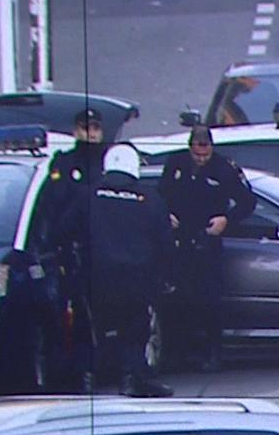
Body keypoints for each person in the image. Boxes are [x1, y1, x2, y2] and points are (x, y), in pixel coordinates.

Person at [53, 143, 172, 397]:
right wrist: (163, 278)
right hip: (137, 279)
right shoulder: (150, 199)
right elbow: (165, 243)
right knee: (135, 330)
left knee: (88, 329)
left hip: (96, 278)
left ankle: (84, 380)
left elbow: (63, 231)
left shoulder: (87, 195)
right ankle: (133, 379)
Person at [158, 125, 256, 372]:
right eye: (197, 154)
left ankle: (212, 352)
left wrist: (227, 220)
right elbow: (159, 196)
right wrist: (165, 215)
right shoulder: (176, 163)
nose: (201, 159)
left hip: (208, 241)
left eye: (205, 154)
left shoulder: (224, 168)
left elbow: (247, 202)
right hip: (179, 241)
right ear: (190, 147)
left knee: (210, 300)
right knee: (178, 300)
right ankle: (177, 353)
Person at [33, 106, 112, 388]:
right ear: (76, 131)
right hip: (71, 252)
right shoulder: (65, 163)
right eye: (85, 128)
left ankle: (108, 367)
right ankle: (80, 372)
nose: (90, 134)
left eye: (95, 128)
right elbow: (50, 206)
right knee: (74, 315)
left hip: (104, 250)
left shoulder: (109, 161)